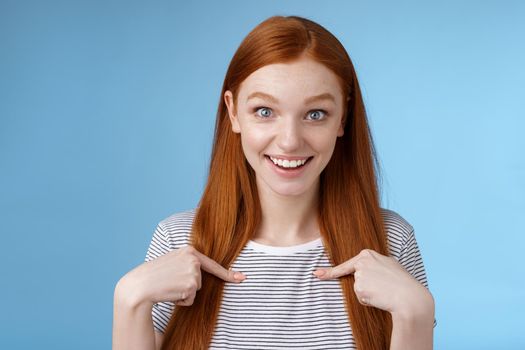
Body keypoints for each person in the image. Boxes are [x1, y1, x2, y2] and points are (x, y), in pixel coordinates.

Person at [113, 15, 436, 350]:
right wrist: (129, 300)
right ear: (234, 112)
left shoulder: (391, 240)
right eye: (265, 111)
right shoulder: (178, 240)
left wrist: (417, 312)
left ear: (343, 118)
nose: (289, 141)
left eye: (315, 114)